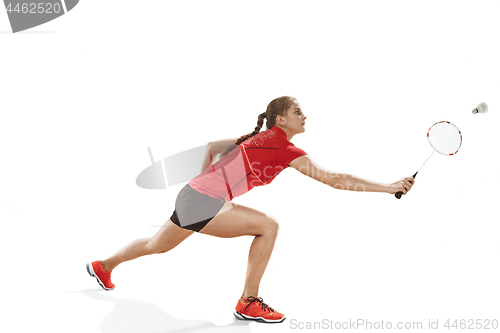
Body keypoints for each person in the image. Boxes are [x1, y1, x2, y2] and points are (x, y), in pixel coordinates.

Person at [87, 96, 415, 323]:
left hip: (193, 195)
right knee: (268, 226)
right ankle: (249, 301)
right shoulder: (281, 145)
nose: (304, 116)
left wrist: (213, 183)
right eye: (298, 111)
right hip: (201, 200)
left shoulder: (262, 138)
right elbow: (334, 179)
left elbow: (214, 153)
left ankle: (103, 266)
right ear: (280, 119)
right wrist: (388, 187)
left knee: (154, 245)